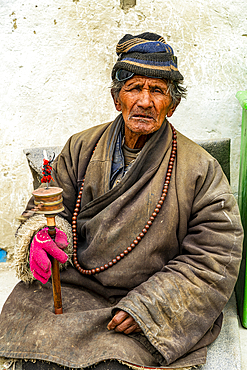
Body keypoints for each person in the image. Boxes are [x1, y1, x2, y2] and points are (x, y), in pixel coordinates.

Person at [0, 32, 243, 370]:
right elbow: (45, 210)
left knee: (114, 365)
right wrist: (41, 235)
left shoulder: (200, 168)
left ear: (172, 105)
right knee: (38, 357)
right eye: (134, 89)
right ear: (117, 99)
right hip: (76, 288)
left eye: (157, 91)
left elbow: (216, 255)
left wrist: (148, 307)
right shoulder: (80, 148)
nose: (145, 101)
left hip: (146, 296)